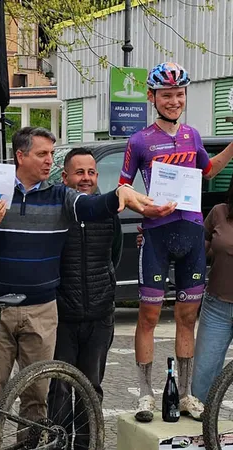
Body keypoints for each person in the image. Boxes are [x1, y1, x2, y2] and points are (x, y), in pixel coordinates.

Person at [0, 126, 154, 425]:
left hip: (41, 310)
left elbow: (89, 205)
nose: (49, 160)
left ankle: (30, 444)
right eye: (42, 154)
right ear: (20, 156)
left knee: (37, 397)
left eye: (51, 153)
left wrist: (118, 194)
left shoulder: (60, 195)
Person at [119, 62, 233, 422]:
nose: (174, 101)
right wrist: (145, 208)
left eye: (179, 94)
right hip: (156, 235)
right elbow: (123, 188)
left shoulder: (193, 136)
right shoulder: (139, 141)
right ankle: (145, 394)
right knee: (149, 317)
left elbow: (208, 171)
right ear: (152, 97)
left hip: (191, 234)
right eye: (166, 95)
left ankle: (185, 395)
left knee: (186, 318)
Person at [48, 147, 122, 448]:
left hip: (99, 316)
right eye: (79, 172)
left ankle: (87, 445)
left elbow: (114, 256)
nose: (86, 178)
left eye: (91, 172)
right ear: (65, 177)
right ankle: (58, 443)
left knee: (91, 389)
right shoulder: (56, 212)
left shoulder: (107, 212)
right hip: (62, 317)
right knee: (60, 388)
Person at [191, 177, 233, 403]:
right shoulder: (219, 212)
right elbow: (198, 251)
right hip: (217, 307)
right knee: (202, 381)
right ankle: (203, 423)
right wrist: (150, 241)